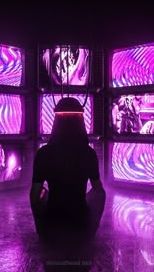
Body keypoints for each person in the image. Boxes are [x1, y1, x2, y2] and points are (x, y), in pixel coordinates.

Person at [30, 97, 106, 244]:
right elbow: (98, 190)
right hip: (81, 224)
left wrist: (39, 224)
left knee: (41, 191)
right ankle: (92, 231)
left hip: (52, 225)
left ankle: (42, 230)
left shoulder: (44, 153)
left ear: (56, 122)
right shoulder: (89, 153)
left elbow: (34, 194)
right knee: (99, 192)